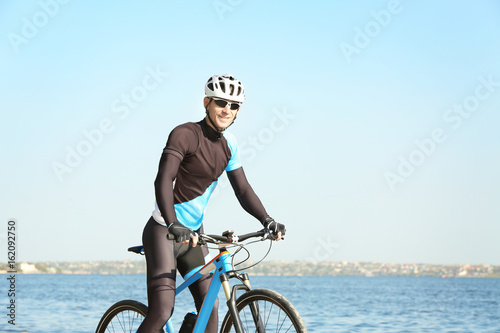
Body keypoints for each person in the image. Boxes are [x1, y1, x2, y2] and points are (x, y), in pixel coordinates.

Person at [137, 74, 286, 333]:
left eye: (234, 105)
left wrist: (267, 220)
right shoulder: (184, 134)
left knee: (210, 305)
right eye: (220, 102)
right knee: (162, 310)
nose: (227, 110)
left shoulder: (230, 145)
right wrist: (173, 223)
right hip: (164, 232)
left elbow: (242, 189)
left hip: (193, 237)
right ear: (207, 102)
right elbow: (163, 180)